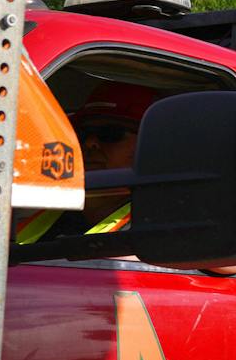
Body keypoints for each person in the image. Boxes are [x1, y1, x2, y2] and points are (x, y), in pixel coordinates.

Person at [15, 81, 152, 243]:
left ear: (149, 145)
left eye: (110, 133)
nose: (90, 143)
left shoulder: (158, 232)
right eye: (82, 133)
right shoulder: (38, 208)